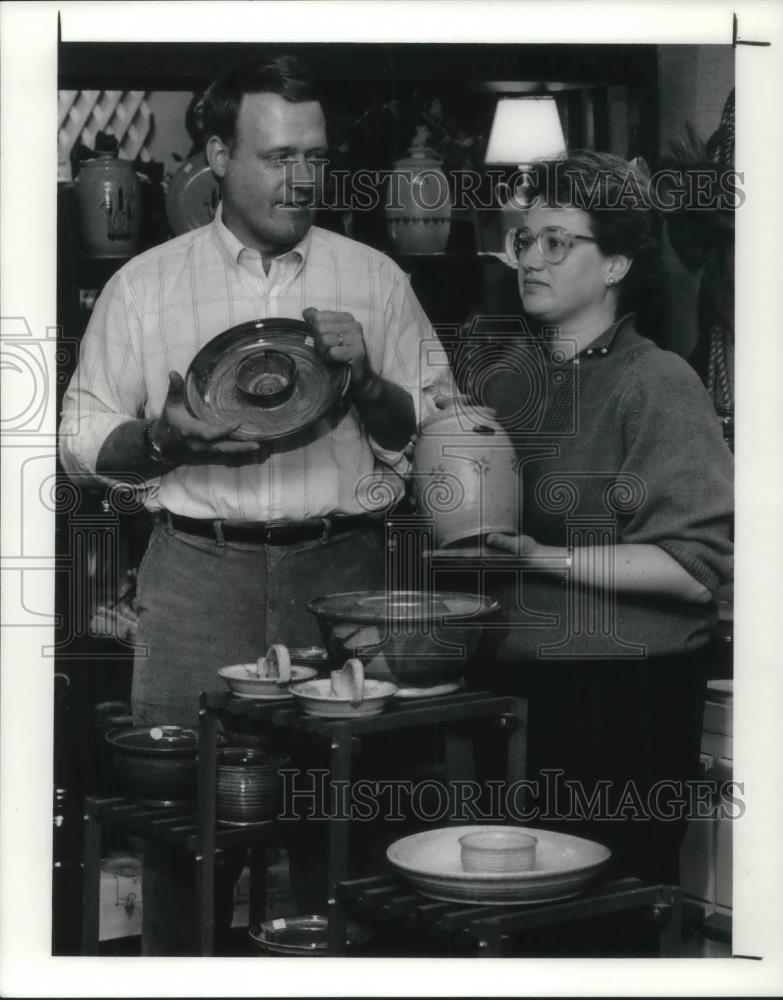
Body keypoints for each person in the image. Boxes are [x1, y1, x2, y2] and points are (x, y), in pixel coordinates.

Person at [59, 55, 444, 950]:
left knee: (338, 836)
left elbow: (431, 426)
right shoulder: (144, 285)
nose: (303, 178)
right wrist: (164, 440)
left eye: (314, 156)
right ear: (218, 155)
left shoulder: (375, 279)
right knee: (185, 839)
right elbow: (81, 436)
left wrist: (368, 383)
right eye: (277, 157)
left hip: (341, 579)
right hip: (197, 578)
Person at [475, 150, 733, 890]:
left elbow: (692, 570)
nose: (531, 257)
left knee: (599, 928)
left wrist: (535, 557)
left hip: (625, 702)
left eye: (557, 241)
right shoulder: (506, 383)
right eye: (524, 240)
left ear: (616, 263)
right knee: (517, 927)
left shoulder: (657, 382)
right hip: (521, 694)